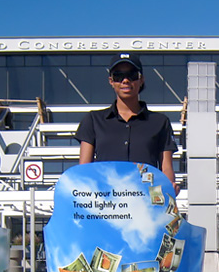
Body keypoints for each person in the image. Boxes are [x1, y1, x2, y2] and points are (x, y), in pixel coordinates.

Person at [76, 53, 179, 194]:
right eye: (118, 76)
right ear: (111, 81)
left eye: (131, 75)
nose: (125, 80)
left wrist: (168, 189)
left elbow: (166, 167)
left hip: (146, 201)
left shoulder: (160, 122)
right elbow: (84, 169)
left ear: (141, 79)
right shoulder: (93, 120)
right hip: (106, 201)